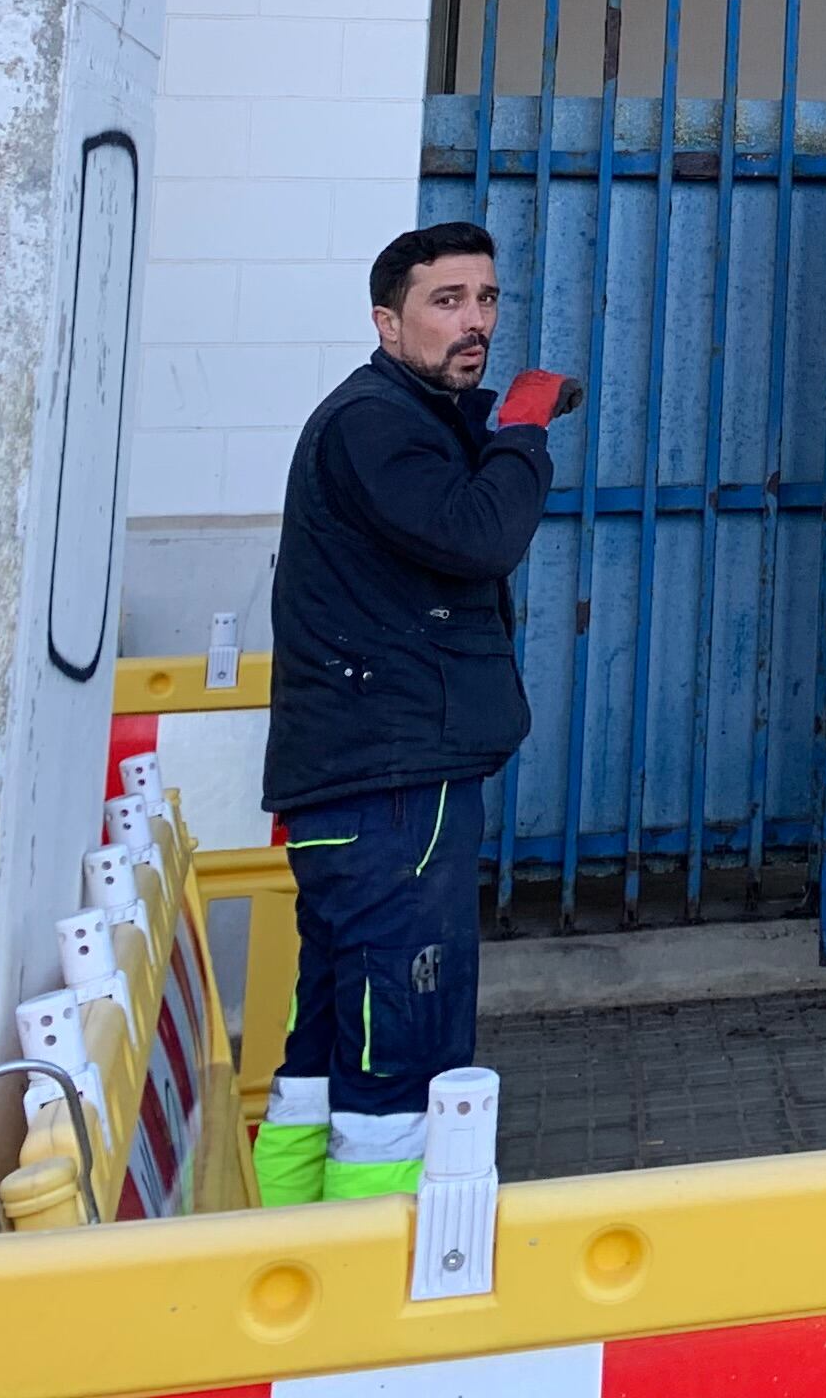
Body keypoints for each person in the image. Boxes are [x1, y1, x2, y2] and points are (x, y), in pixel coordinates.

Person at [251, 222, 570, 1204]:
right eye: (446, 302)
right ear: (388, 324)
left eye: (486, 299)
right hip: (393, 786)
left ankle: (279, 1243)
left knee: (328, 1043)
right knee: (402, 1047)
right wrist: (518, 434)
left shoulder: (401, 416)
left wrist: (488, 426)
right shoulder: (371, 423)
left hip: (368, 780)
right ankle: (368, 1291)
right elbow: (479, 535)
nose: (473, 321)